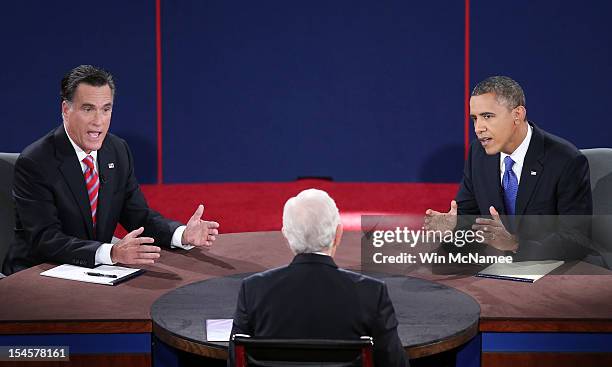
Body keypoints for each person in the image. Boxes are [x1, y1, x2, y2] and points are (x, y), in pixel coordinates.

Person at [2, 65, 219, 275]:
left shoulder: (117, 150)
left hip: (94, 270)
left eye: (106, 109)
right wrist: (112, 252)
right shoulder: (36, 161)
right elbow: (45, 239)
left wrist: (181, 235)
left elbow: (139, 217)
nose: (99, 121)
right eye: (88, 109)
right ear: (66, 110)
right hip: (38, 272)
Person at [229, 189, 408, 366]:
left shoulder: (253, 289)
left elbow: (235, 360)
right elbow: (395, 363)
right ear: (338, 235)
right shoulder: (371, 293)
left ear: (287, 236)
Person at [425, 76, 592, 261]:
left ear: (517, 115)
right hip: (497, 268)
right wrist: (453, 228)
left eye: (487, 116)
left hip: (551, 271)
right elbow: (470, 218)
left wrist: (515, 244)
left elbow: (577, 241)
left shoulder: (565, 160)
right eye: (474, 118)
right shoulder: (478, 154)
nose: (478, 128)